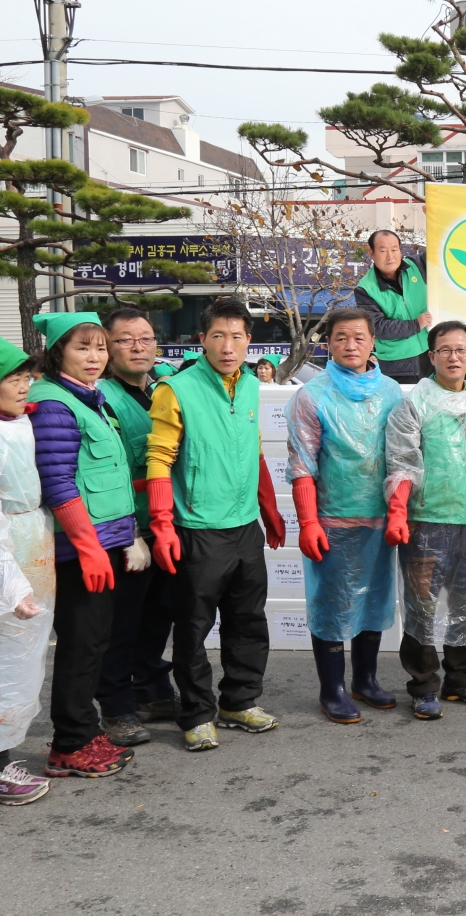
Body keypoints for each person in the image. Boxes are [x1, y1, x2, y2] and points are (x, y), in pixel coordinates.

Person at [146, 299, 286, 752]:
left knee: (248, 621)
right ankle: (197, 713)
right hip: (198, 528)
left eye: (238, 336)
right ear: (201, 339)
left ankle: (239, 701)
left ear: (250, 340)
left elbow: (254, 449)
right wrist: (163, 525)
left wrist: (269, 509)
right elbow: (159, 460)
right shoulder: (176, 389)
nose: (229, 346)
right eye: (219, 336)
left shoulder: (248, 385)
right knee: (193, 626)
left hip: (244, 526)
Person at [26, 313, 135, 778]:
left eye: (100, 348)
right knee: (81, 642)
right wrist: (88, 547)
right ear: (58, 354)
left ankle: (84, 731)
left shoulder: (92, 398)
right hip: (80, 546)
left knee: (94, 641)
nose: (95, 357)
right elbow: (57, 481)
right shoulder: (53, 403)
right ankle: (70, 743)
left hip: (103, 539)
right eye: (82, 349)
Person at [287, 307, 402, 724]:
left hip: (379, 519)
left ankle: (365, 680)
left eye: (358, 337)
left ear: (374, 342)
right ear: (328, 343)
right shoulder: (311, 396)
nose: (350, 345)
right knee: (333, 607)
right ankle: (331, 688)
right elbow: (302, 464)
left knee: (372, 601)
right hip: (333, 518)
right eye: (340, 338)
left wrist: (399, 511)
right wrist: (309, 522)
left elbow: (402, 458)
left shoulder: (391, 392)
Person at [384, 320, 466, 721]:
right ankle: (424, 684)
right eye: (444, 350)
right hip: (425, 522)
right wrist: (399, 511)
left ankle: (461, 678)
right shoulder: (412, 404)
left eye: (461, 349)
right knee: (422, 608)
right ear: (431, 356)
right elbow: (401, 463)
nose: (453, 357)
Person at [0, 328, 55, 805]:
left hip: (28, 543)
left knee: (18, 662)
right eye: (14, 377)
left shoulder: (11, 423)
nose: (26, 386)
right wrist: (8, 586)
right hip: (1, 557)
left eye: (28, 376)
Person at [94, 308, 177, 748]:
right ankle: (116, 706)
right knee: (121, 621)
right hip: (126, 530)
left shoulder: (165, 387)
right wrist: (131, 532)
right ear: (107, 348)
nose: (138, 347)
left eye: (145, 338)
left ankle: (150, 688)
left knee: (159, 613)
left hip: (166, 523)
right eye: (125, 340)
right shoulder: (102, 397)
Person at [352, 230, 432, 384]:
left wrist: (434, 216)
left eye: (394, 249)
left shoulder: (417, 266)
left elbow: (439, 251)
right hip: (397, 365)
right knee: (403, 406)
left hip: (430, 354)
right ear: (372, 253)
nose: (390, 256)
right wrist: (416, 324)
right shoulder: (365, 288)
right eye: (383, 251)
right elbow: (378, 327)